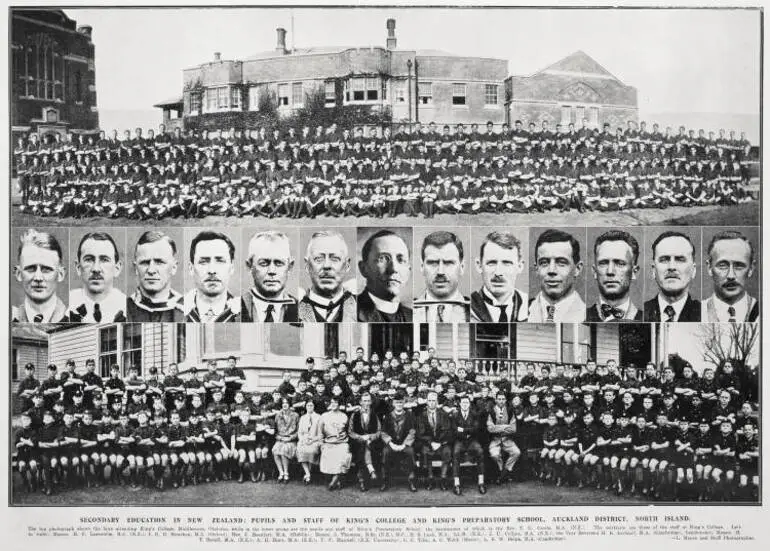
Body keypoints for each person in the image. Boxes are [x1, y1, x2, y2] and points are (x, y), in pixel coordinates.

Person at [68, 231, 127, 322]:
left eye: (104, 260)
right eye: (89, 260)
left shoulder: (127, 307)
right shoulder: (67, 306)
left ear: (117, 268)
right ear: (78, 267)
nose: (96, 269)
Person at [298, 230, 357, 322]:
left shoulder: (362, 308)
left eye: (334, 259)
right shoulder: (292, 311)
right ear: (307, 265)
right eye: (318, 259)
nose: (326, 266)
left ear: (347, 265)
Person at [528, 229, 586, 322]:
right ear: (536, 269)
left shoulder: (588, 315)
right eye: (544, 263)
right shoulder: (519, 311)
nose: (552, 270)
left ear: (577, 269)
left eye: (561, 263)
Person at [470, 231, 528, 322]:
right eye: (491, 263)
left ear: (520, 266)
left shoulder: (530, 307)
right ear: (479, 266)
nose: (498, 272)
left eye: (507, 263)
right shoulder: (467, 309)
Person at [413, 231, 471, 323]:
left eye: (448, 263)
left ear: (462, 267)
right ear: (422, 266)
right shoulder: (407, 312)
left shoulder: (475, 311)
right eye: (432, 263)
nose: (440, 272)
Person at [241, 230, 299, 322]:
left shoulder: (303, 311)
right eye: (264, 263)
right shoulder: (235, 309)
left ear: (290, 267)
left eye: (279, 263)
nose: (272, 271)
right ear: (249, 266)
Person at [643, 231, 701, 322]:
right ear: (653, 270)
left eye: (680, 260)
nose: (672, 267)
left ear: (693, 270)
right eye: (664, 260)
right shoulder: (641, 313)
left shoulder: (704, 314)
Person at [701, 230, 758, 322]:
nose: (731, 275)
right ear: (709, 268)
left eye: (739, 266)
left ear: (751, 268)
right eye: (722, 266)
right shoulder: (698, 312)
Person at [12, 229, 68, 322]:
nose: (38, 278)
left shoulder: (75, 317)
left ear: (60, 274)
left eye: (46, 269)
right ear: (18, 273)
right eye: (31, 268)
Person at [127, 230, 184, 321]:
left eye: (159, 262)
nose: (151, 270)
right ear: (136, 268)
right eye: (145, 263)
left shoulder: (188, 309)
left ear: (174, 267)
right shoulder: (123, 309)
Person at [586, 230, 643, 321]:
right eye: (603, 263)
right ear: (594, 271)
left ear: (634, 272)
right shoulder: (580, 317)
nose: (610, 271)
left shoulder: (647, 317)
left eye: (620, 263)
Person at [357, 229, 413, 321]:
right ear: (363, 269)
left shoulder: (413, 316)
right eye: (382, 258)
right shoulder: (350, 312)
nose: (394, 269)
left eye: (400, 260)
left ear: (408, 271)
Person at [185, 231, 241, 322]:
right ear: (191, 268)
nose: (212, 270)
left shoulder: (244, 314)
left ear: (231, 268)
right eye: (203, 261)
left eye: (220, 261)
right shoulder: (177, 311)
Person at [379, 391, 418, 492]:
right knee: (385, 452)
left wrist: (404, 445)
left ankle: (411, 481)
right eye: (397, 402)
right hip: (391, 444)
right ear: (393, 403)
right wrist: (391, 444)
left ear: (404, 403)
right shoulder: (388, 416)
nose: (399, 405)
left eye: (401, 402)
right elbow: (383, 432)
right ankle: (385, 481)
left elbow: (412, 431)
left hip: (405, 443)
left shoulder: (409, 415)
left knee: (410, 452)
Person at [417, 390, 454, 490]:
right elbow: (420, 433)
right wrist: (431, 442)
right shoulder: (422, 415)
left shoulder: (443, 414)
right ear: (426, 402)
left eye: (434, 400)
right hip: (429, 443)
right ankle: (430, 479)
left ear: (437, 402)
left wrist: (440, 443)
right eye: (429, 400)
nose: (431, 403)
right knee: (425, 452)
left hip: (441, 443)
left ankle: (443, 479)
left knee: (447, 452)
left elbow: (447, 431)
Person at [451, 395, 486, 495]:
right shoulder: (455, 415)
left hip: (472, 440)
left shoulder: (475, 415)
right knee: (456, 452)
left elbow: (476, 429)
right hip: (460, 440)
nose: (465, 404)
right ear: (460, 404)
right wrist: (467, 432)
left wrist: (462, 429)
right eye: (463, 403)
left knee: (480, 451)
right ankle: (456, 484)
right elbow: (454, 430)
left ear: (469, 404)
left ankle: (481, 482)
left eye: (467, 402)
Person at [348, 392, 382, 492]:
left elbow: (379, 431)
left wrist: (370, 437)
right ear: (360, 402)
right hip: (357, 441)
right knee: (361, 448)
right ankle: (369, 471)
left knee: (367, 448)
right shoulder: (355, 415)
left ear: (371, 402)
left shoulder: (375, 415)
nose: (366, 403)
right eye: (364, 401)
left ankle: (362, 479)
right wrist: (361, 437)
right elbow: (350, 431)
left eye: (368, 401)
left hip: (372, 442)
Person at [486, 391, 521, 484]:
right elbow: (490, 429)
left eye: (503, 399)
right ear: (496, 400)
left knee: (517, 452)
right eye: (499, 399)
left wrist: (497, 428)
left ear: (505, 400)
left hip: (507, 439)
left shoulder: (510, 411)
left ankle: (505, 471)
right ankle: (501, 470)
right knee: (494, 455)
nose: (501, 401)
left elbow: (513, 429)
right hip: (495, 439)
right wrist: (504, 427)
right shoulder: (491, 411)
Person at [318, 396, 351, 491]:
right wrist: (321, 443)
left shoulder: (344, 416)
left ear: (339, 404)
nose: (333, 404)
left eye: (336, 402)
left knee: (343, 455)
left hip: (341, 442)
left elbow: (348, 431)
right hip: (328, 443)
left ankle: (335, 479)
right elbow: (320, 432)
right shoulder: (324, 416)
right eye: (331, 402)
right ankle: (337, 479)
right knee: (328, 455)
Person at [272, 397, 299, 483]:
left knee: (284, 450)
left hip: (291, 440)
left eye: (287, 403)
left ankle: (286, 473)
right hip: (280, 439)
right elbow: (274, 431)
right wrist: (279, 438)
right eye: (283, 403)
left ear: (289, 404)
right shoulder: (278, 415)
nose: (285, 404)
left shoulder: (295, 415)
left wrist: (290, 438)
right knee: (275, 450)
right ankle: (281, 472)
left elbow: (299, 431)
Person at [296, 400, 322, 485]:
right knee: (300, 449)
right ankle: (308, 474)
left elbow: (320, 433)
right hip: (304, 439)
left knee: (312, 451)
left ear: (314, 406)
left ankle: (309, 472)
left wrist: (312, 440)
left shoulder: (318, 417)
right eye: (308, 405)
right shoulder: (303, 417)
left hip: (315, 439)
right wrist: (302, 440)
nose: (310, 407)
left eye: (311, 405)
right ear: (305, 406)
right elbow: (299, 432)